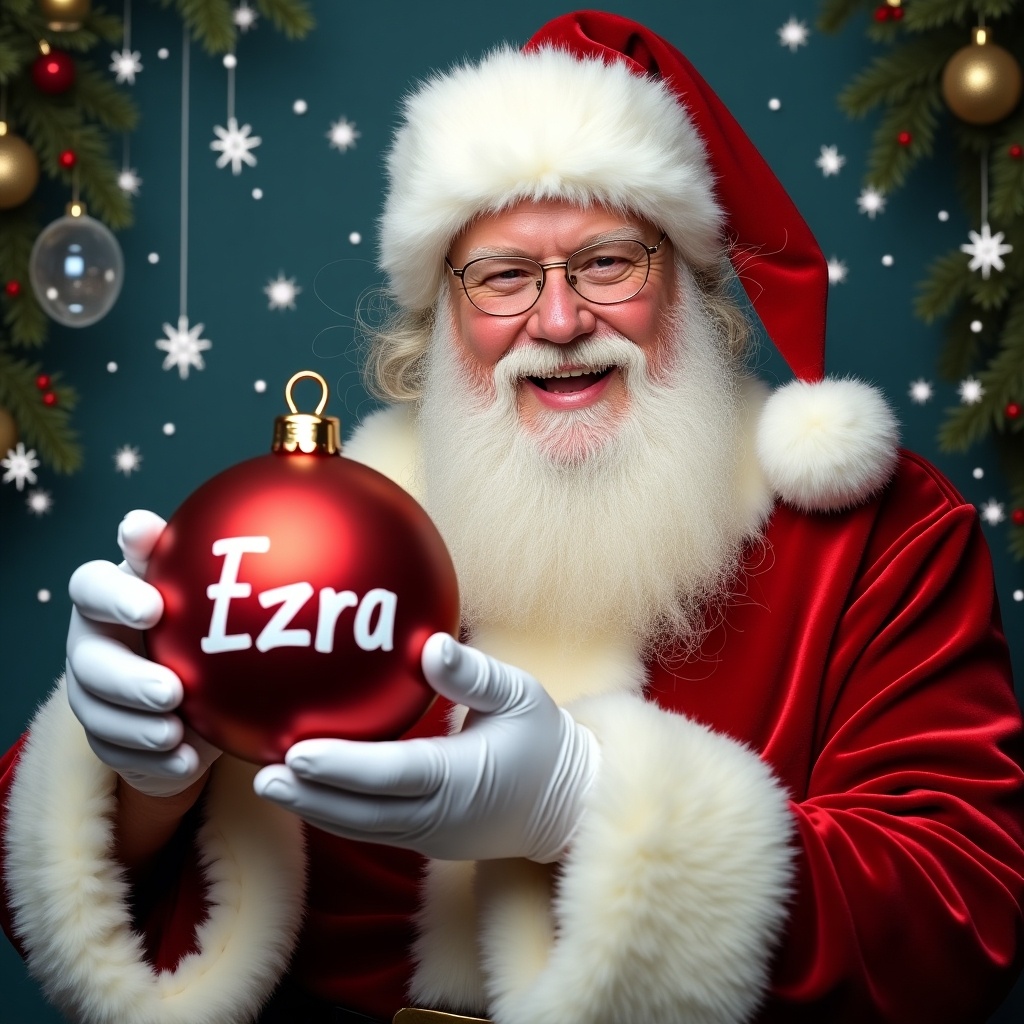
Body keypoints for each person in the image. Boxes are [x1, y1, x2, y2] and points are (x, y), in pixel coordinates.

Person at [3, 10, 1024, 1024]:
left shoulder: (876, 531)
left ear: (695, 286)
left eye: (610, 263)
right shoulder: (312, 537)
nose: (560, 320)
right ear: (440, 315)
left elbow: (962, 918)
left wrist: (590, 805)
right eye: (502, 277)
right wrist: (140, 779)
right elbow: (52, 904)